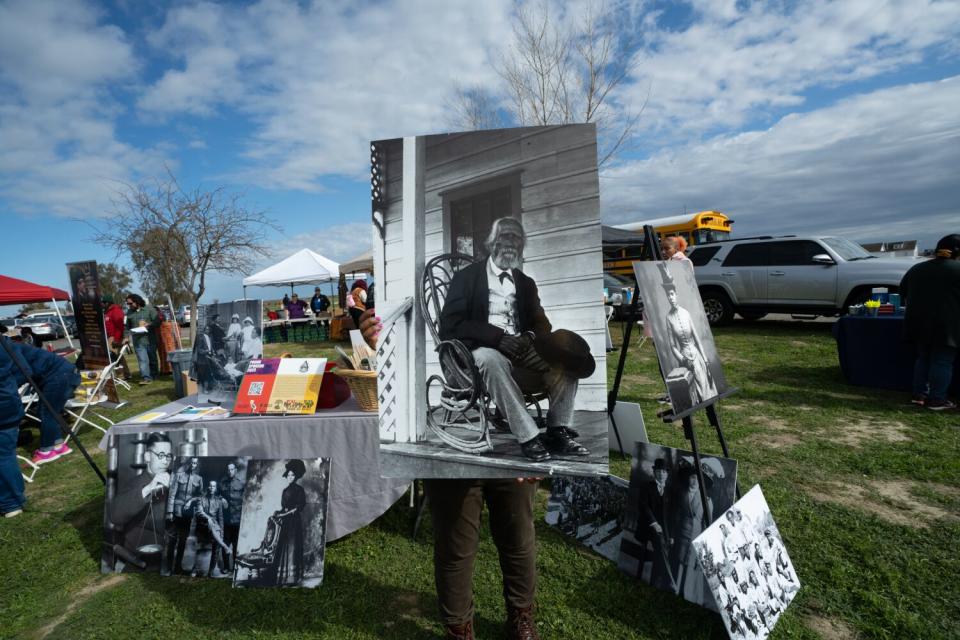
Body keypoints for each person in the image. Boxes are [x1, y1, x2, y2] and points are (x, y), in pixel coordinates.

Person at [358, 306, 543, 640]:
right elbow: (394, 361)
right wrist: (378, 343)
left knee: (518, 535)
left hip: (513, 432)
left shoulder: (517, 291)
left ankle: (521, 617)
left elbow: (538, 334)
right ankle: (458, 629)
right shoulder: (448, 298)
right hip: (446, 428)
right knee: (455, 544)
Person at [438, 217, 589, 462]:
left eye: (516, 238)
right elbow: (450, 324)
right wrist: (497, 338)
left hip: (522, 348)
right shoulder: (466, 278)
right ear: (491, 243)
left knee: (569, 360)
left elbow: (542, 323)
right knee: (489, 359)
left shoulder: (525, 283)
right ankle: (529, 436)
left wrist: (529, 336)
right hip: (479, 348)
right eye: (504, 236)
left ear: (522, 246)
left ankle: (557, 431)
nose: (510, 243)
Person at [900, 233, 960, 410]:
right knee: (942, 361)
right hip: (946, 325)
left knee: (923, 359)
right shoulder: (957, 270)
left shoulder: (917, 269)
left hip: (918, 322)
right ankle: (937, 399)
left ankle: (919, 395)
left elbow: (903, 291)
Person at [7, 339, 80, 464]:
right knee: (44, 412)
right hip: (58, 375)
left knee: (48, 413)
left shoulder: (9, 348)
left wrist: (10, 386)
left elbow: (25, 372)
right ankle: (58, 445)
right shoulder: (9, 345)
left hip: (60, 376)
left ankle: (46, 451)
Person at [108, 432, 173, 570]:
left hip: (167, 560)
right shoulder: (135, 484)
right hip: (140, 563)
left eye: (168, 456)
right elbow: (114, 515)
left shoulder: (173, 480)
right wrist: (148, 488)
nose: (165, 461)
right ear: (148, 456)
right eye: (161, 455)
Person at [659, 263, 717, 406]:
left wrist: (705, 359)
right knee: (691, 393)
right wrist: (683, 359)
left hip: (696, 356)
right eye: (668, 296)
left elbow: (697, 339)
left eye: (672, 294)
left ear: (676, 294)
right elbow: (672, 346)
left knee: (704, 386)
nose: (670, 298)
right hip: (685, 359)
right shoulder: (669, 317)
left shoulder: (686, 313)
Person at [670, 467, 712, 605]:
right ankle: (676, 591)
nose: (694, 481)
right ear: (688, 479)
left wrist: (703, 546)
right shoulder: (681, 494)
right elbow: (675, 516)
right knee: (680, 564)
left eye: (697, 478)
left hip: (696, 537)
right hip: (682, 534)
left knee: (692, 567)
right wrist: (673, 535)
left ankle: (691, 596)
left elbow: (707, 525)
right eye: (692, 477)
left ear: (701, 482)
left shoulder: (707, 500)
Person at [635, 458, 675, 590]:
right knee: (660, 541)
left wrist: (671, 535)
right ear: (654, 472)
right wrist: (654, 523)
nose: (661, 474)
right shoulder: (647, 486)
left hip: (663, 530)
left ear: (667, 474)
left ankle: (655, 582)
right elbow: (644, 506)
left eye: (664, 472)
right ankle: (669, 580)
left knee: (664, 546)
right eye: (658, 471)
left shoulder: (669, 491)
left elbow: (669, 517)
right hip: (647, 526)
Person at [0, 336, 27, 517]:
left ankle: (10, 503)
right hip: (8, 403)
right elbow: (22, 370)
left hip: (5, 406)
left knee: (3, 455)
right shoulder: (4, 342)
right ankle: (12, 501)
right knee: (5, 454)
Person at [165, 456, 203, 575]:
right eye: (191, 462)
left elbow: (200, 496)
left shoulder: (199, 479)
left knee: (182, 541)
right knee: (172, 540)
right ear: (188, 464)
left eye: (195, 463)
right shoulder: (179, 476)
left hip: (188, 513)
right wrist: (170, 511)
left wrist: (191, 501)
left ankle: (177, 568)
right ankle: (167, 567)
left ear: (197, 465)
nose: (193, 465)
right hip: (176, 512)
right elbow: (172, 494)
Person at [184, 479, 229, 577]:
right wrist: (208, 518)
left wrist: (221, 532)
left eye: (213, 486)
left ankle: (211, 571)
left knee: (216, 543)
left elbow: (220, 518)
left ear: (216, 488)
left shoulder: (219, 501)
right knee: (210, 525)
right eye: (210, 486)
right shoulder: (201, 498)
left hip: (214, 527)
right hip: (202, 527)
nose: (211, 488)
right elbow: (200, 512)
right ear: (208, 487)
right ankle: (195, 568)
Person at [125, 294, 160, 385]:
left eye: (130, 303)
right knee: (142, 360)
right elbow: (126, 326)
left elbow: (157, 321)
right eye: (127, 304)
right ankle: (146, 378)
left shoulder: (149, 309)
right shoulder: (129, 313)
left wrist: (149, 325)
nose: (129, 305)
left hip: (150, 339)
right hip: (138, 341)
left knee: (152, 359)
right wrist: (126, 337)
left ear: (137, 301)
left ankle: (155, 375)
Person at [219, 461, 245, 571]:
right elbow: (217, 496)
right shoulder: (222, 483)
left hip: (238, 518)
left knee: (236, 545)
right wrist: (221, 499)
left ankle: (235, 567)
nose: (230, 472)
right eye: (228, 470)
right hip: (226, 519)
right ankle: (225, 567)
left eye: (232, 469)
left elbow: (247, 500)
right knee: (225, 544)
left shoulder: (241, 483)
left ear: (235, 470)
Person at [102, 295, 130, 379]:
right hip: (110, 337)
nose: (102, 304)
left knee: (115, 357)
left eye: (103, 303)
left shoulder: (116, 311)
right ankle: (125, 374)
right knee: (118, 357)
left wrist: (117, 339)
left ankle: (122, 375)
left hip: (114, 338)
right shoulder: (107, 312)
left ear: (108, 303)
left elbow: (120, 325)